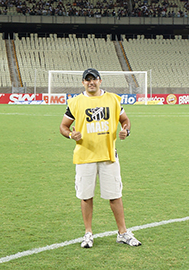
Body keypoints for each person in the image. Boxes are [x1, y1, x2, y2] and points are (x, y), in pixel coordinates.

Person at [59, 68, 141, 249]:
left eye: (94, 79)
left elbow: (125, 120)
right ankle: (88, 233)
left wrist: (126, 130)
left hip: (108, 156)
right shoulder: (75, 102)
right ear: (83, 82)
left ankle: (123, 233)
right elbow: (63, 126)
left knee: (115, 196)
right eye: (87, 80)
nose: (91, 82)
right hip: (84, 156)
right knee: (86, 196)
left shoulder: (113, 99)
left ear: (100, 81)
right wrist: (71, 134)